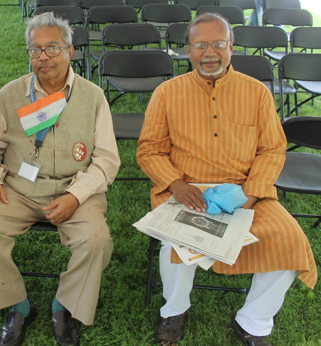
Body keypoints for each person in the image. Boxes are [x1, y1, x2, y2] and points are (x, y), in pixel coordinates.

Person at [136, 13, 317, 346]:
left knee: (290, 239)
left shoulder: (257, 94)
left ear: (231, 47)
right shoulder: (166, 93)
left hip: (247, 191)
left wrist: (250, 195)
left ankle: (253, 320)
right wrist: (176, 184)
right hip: (186, 189)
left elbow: (272, 151)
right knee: (175, 242)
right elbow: (149, 150)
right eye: (201, 45)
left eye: (218, 44)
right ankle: (174, 310)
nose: (210, 53)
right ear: (187, 50)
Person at [0, 12, 120, 346]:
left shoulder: (93, 96)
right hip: (19, 190)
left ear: (69, 51)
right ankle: (18, 305)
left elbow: (107, 159)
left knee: (97, 240)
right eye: (35, 50)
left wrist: (76, 196)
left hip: (73, 187)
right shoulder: (11, 95)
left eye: (52, 48)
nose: (43, 57)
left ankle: (63, 305)